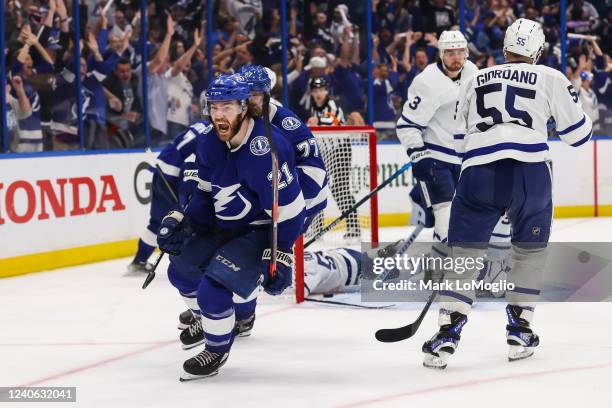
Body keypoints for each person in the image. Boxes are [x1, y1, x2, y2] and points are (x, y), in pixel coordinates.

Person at [422, 18, 592, 369]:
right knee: (529, 253)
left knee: (464, 256)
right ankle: (520, 331)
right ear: (538, 50)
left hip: (477, 173)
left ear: (505, 49)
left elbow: (458, 143)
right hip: (529, 173)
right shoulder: (550, 76)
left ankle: (446, 335)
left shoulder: (474, 78)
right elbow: (577, 136)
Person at [157, 75, 306, 380]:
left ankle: (216, 347)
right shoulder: (209, 142)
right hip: (223, 225)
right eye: (214, 107)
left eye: (227, 106)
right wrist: (184, 223)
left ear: (243, 108)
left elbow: (291, 212)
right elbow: (204, 194)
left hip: (258, 230)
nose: (219, 114)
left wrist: (280, 254)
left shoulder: (266, 150)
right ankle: (209, 319)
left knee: (214, 289)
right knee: (179, 269)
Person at [177, 66, 329, 349]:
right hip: (267, 198)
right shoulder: (236, 124)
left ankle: (238, 310)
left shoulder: (284, 122)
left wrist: (284, 226)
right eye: (250, 95)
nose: (254, 101)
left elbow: (314, 172)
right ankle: (226, 312)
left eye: (258, 95)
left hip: (299, 200)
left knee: (256, 258)